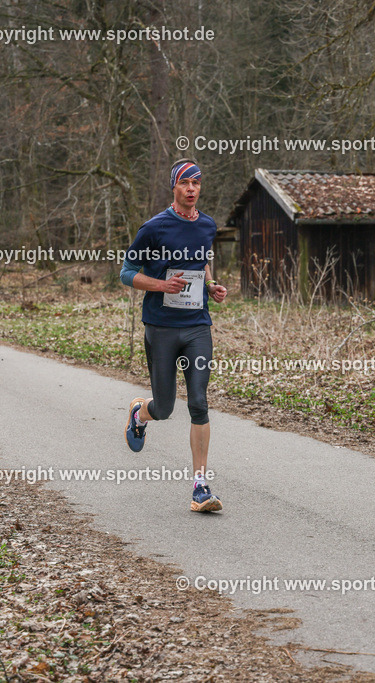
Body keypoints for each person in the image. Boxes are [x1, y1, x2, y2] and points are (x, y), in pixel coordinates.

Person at [120, 159, 228, 513]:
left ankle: (200, 485)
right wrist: (161, 285)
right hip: (161, 326)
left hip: (197, 325)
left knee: (198, 401)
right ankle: (140, 414)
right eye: (185, 183)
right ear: (174, 188)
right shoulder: (153, 228)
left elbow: (202, 261)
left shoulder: (208, 225)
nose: (192, 189)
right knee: (164, 408)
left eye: (197, 183)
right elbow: (126, 273)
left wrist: (210, 284)